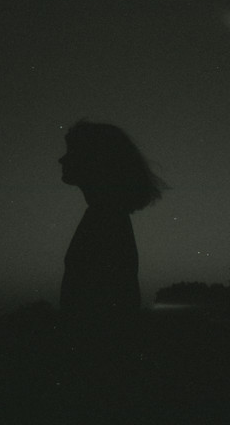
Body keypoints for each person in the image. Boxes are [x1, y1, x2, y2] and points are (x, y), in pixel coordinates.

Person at [58, 119, 165, 352]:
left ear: (95, 160)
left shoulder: (104, 219)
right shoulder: (106, 215)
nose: (62, 160)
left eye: (72, 152)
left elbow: (106, 310)